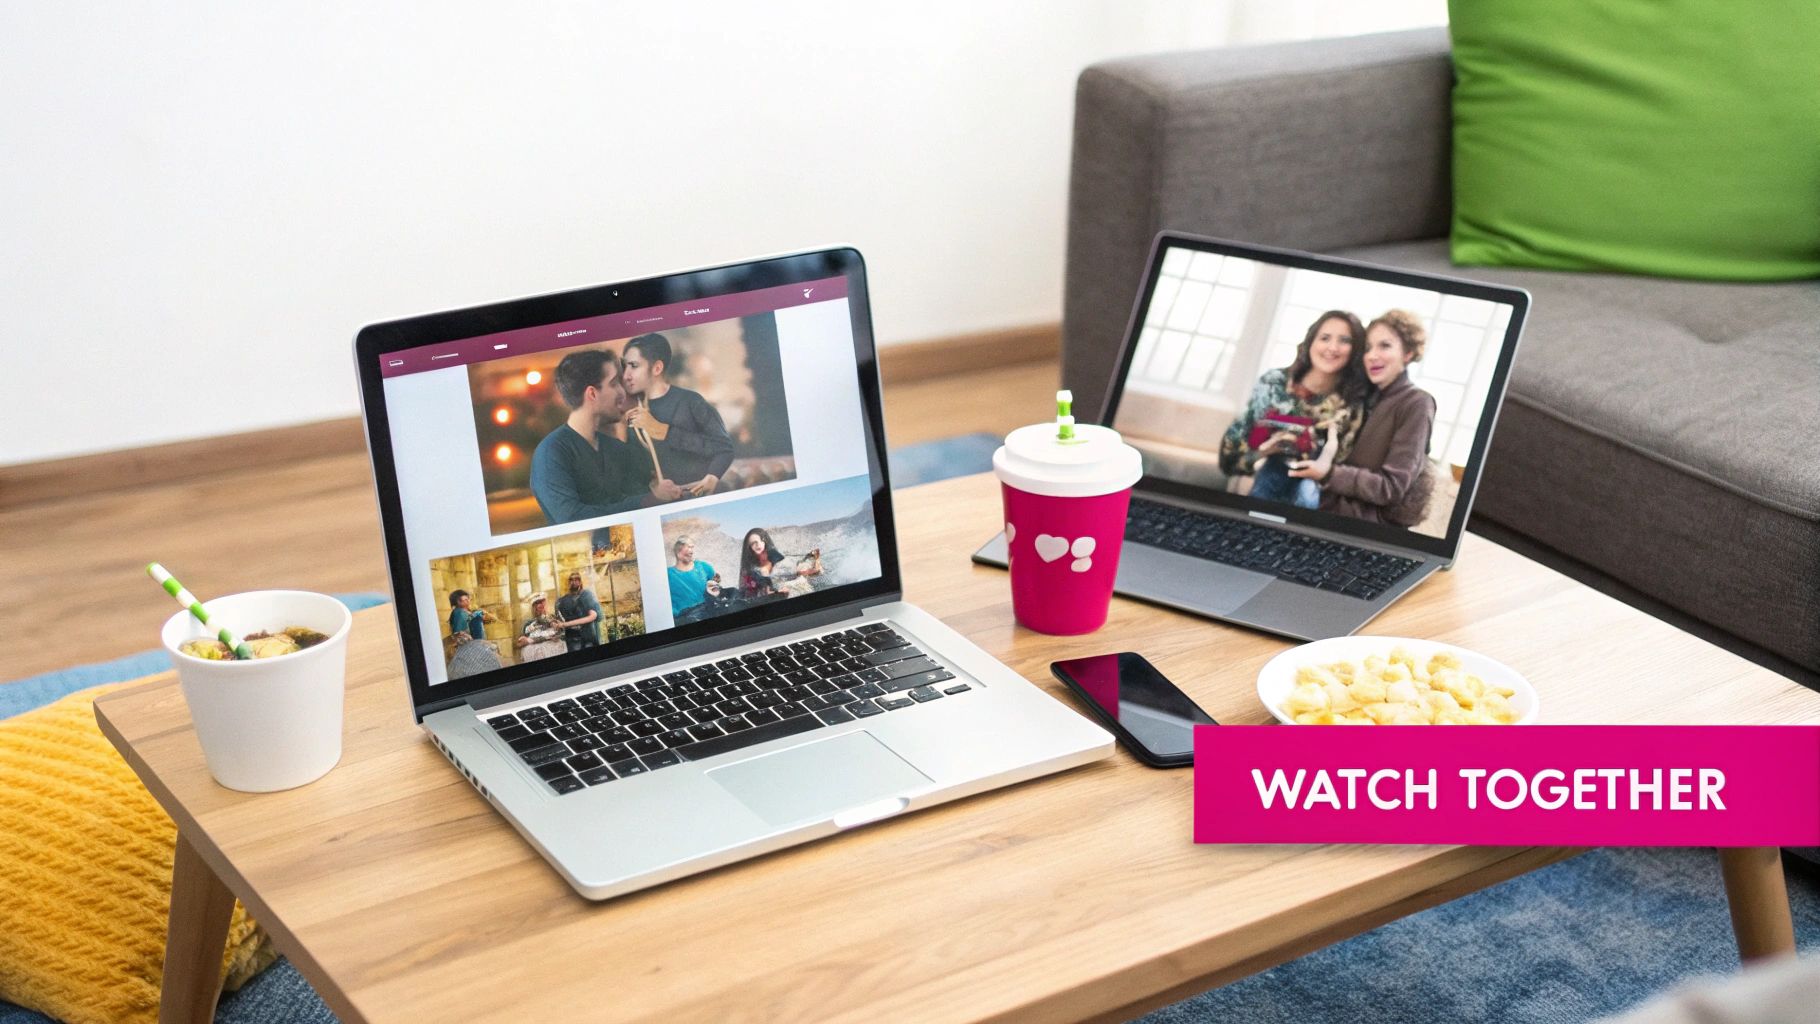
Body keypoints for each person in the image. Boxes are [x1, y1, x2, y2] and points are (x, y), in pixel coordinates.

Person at [1289, 309, 1439, 526]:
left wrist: (1329, 474)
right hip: (1326, 511)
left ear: (1407, 353)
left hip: (1363, 528)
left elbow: (1391, 488)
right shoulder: (1366, 396)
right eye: (1368, 348)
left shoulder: (1417, 403)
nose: (1372, 355)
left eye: (1384, 346)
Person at [1218, 311, 1370, 509]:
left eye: (1344, 340)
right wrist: (1263, 451)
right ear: (1311, 342)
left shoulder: (1353, 402)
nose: (1333, 348)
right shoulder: (1274, 383)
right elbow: (1229, 458)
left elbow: (1341, 468)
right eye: (1324, 338)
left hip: (1314, 496)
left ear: (1355, 350)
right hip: (1265, 479)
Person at [529, 348, 684, 526]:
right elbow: (571, 519)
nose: (622, 393)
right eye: (614, 383)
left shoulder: (616, 448)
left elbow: (645, 490)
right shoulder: (551, 453)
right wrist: (647, 500)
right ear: (592, 394)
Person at [619, 333, 736, 498]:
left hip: (706, 496)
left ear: (657, 368)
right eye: (625, 366)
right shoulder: (635, 413)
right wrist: (653, 490)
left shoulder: (691, 401)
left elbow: (724, 448)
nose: (626, 375)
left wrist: (665, 432)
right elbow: (637, 474)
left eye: (634, 366)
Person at [738, 527, 821, 599]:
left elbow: (805, 573)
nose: (757, 544)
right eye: (753, 543)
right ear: (749, 548)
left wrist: (815, 559)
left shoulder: (780, 562)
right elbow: (746, 595)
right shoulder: (748, 570)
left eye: (760, 540)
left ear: (765, 541)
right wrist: (769, 594)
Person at [666, 534, 722, 618]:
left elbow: (717, 592)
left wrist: (716, 587)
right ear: (677, 551)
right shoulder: (668, 574)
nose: (691, 551)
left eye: (692, 548)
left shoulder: (704, 567)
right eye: (688, 547)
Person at [554, 571, 602, 652]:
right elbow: (559, 619)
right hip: (572, 639)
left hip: (587, 636)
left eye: (577, 579)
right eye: (571, 579)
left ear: (580, 581)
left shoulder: (586, 595)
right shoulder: (562, 601)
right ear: (568, 582)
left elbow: (593, 616)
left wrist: (565, 624)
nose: (574, 581)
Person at [513, 592, 567, 662]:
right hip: (535, 651)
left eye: (542, 602)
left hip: (555, 647)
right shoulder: (528, 623)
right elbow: (520, 642)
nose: (541, 605)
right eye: (538, 603)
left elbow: (562, 632)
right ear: (533, 607)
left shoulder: (554, 618)